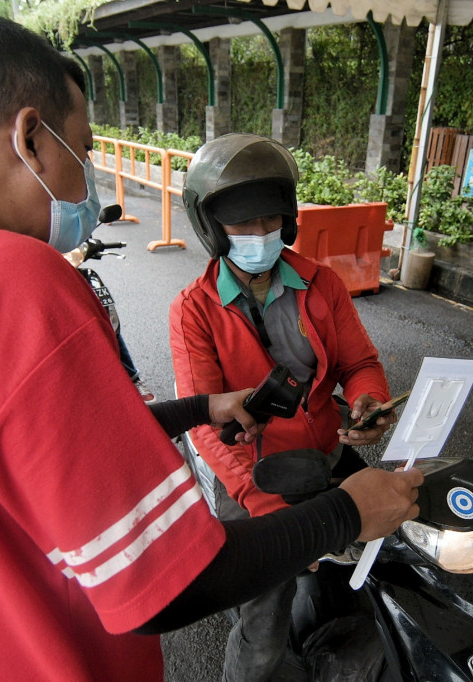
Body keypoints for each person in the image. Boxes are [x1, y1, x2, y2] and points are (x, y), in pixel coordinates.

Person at [0, 14, 423, 682]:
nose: (89, 180)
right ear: (29, 137)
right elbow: (165, 581)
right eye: (82, 150)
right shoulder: (14, 283)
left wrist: (196, 409)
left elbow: (18, 454)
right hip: (46, 661)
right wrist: (345, 512)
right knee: (262, 631)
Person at [170, 133, 400, 681]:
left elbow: (359, 362)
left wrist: (367, 399)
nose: (260, 235)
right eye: (243, 225)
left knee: (365, 579)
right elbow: (205, 426)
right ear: (211, 227)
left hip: (324, 454)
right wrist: (267, 512)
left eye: (271, 221)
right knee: (262, 628)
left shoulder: (322, 285)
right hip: (251, 478)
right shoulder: (193, 310)